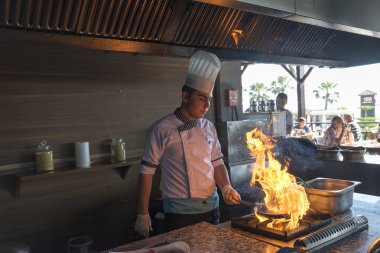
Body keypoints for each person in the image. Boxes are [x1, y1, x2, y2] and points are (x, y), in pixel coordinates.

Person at [134, 50, 241, 238]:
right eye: (201, 98)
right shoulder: (162, 128)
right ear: (185, 96)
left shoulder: (208, 127)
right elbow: (146, 172)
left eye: (208, 100)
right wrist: (142, 214)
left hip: (212, 208)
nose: (206, 105)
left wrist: (226, 188)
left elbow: (217, 162)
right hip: (179, 213)